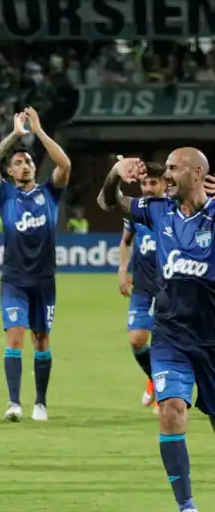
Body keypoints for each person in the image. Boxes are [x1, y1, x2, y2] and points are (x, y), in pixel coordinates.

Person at [98, 149, 215, 512]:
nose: (166, 174)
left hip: (211, 339)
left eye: (173, 169)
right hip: (171, 337)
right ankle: (187, 509)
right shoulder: (156, 211)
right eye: (164, 168)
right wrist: (116, 173)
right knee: (171, 410)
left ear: (197, 173)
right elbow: (108, 201)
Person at [0, 107, 72, 423]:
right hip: (15, 280)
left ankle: (41, 403)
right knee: (15, 337)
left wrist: (40, 131)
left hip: (45, 280)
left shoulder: (50, 193)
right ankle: (14, 403)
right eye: (18, 162)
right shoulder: (5, 195)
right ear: (10, 172)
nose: (25, 165)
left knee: (41, 340)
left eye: (29, 161)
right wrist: (15, 135)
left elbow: (64, 164)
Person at [116, 162, 166, 409]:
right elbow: (125, 242)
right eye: (144, 183)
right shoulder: (137, 211)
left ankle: (167, 393)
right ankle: (153, 379)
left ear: (165, 184)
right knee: (137, 340)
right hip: (143, 287)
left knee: (165, 344)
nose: (147, 188)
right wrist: (122, 270)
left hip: (170, 288)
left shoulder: (174, 208)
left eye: (153, 183)